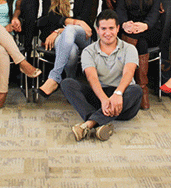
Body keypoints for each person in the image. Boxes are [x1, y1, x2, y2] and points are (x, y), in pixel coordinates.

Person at [61, 10, 142, 142]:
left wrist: (118, 93)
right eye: (103, 29)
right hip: (100, 96)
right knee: (67, 83)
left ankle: (90, 123)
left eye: (111, 28)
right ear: (97, 30)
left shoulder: (129, 48)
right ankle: (100, 123)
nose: (107, 33)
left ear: (118, 29)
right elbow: (91, 77)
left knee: (136, 90)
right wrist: (104, 100)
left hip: (123, 101)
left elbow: (129, 73)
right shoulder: (88, 51)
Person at [35, 0, 96, 99]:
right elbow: (48, 16)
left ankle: (54, 77)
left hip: (82, 36)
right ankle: (71, 84)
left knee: (70, 31)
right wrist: (73, 22)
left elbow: (86, 20)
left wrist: (60, 29)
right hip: (61, 35)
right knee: (72, 51)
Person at [116, 0, 161, 110]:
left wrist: (145, 25)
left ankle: (127, 83)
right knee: (140, 44)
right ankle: (142, 88)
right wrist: (124, 24)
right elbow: (120, 9)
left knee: (136, 39)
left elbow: (154, 13)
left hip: (150, 30)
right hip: (129, 28)